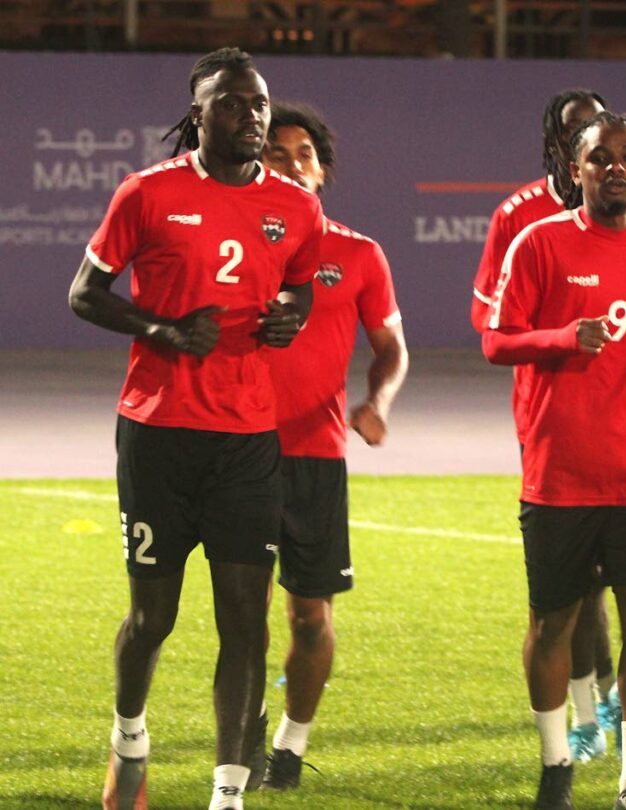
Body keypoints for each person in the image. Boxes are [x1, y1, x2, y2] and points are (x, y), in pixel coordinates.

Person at [68, 48, 323, 810]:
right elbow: (85, 293)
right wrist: (164, 330)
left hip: (247, 438)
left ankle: (227, 795)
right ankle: (130, 737)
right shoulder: (147, 194)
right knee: (153, 619)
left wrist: (290, 318)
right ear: (199, 114)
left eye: (259, 104)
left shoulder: (298, 208)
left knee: (244, 621)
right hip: (158, 434)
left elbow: (302, 287)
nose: (251, 117)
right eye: (233, 104)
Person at [469, 88, 626, 764]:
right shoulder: (527, 229)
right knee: (567, 610)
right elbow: (494, 332)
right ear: (571, 162)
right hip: (559, 450)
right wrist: (564, 338)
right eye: (597, 155)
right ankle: (574, 730)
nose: (615, 168)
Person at [258, 102, 408, 788]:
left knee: (311, 617)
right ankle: (243, 736)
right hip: (237, 449)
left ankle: (289, 746)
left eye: (304, 155)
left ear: (323, 171)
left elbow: (391, 349)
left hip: (315, 456)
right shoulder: (241, 247)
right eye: (277, 153)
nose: (292, 164)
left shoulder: (357, 254)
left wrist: (376, 401)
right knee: (242, 612)